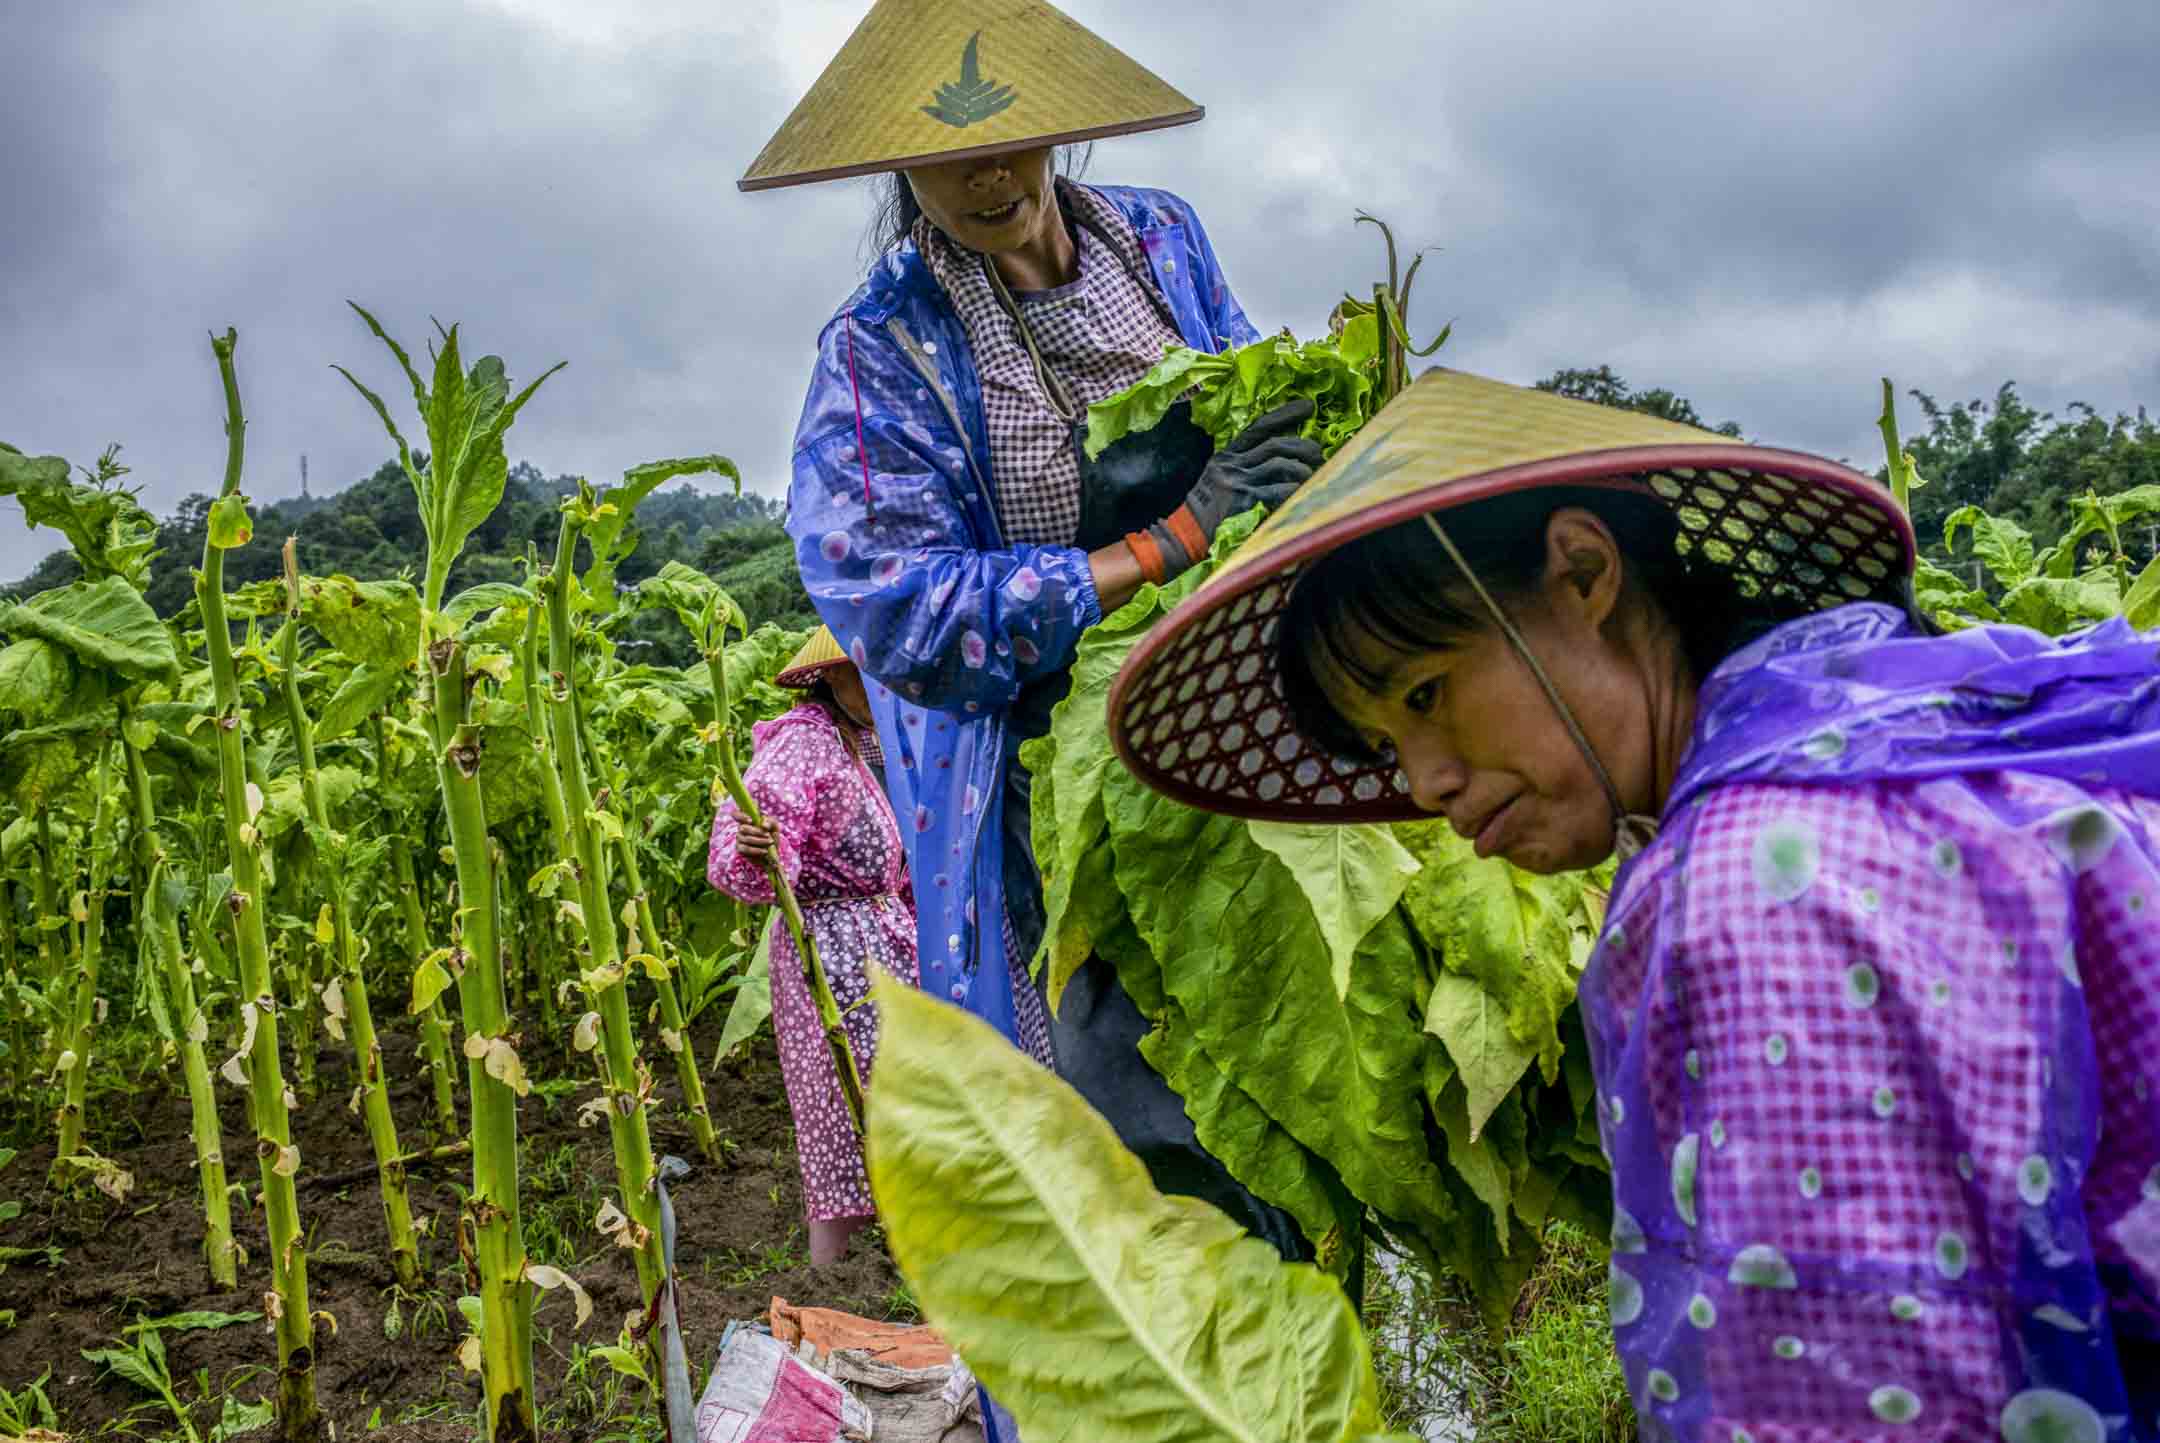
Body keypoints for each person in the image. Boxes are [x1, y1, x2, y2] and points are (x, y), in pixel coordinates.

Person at [1105, 367, 2160, 1441]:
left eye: (1428, 693)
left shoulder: (1755, 892)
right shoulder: (1940, 739)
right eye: (1385, 743)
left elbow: (1847, 1398)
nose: (1423, 783)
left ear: (1583, 572)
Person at [737, 0, 1321, 1265]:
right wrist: (1163, 544)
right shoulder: (884, 346)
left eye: (1016, 140)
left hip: (1237, 703)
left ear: (1060, 131)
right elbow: (891, 602)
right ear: (899, 165)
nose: (992, 175)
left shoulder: (1161, 240)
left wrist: (1291, 454)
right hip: (1060, 775)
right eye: (950, 154)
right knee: (1132, 1103)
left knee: (1288, 1055)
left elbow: (1240, 384)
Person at [708, 627, 918, 1266]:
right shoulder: (803, 741)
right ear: (831, 676)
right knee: (843, 1102)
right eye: (866, 673)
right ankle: (843, 1271)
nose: (881, 688)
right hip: (832, 955)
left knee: (898, 1101)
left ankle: (901, 1250)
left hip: (874, 943)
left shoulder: (854, 742)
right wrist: (757, 847)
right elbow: (743, 858)